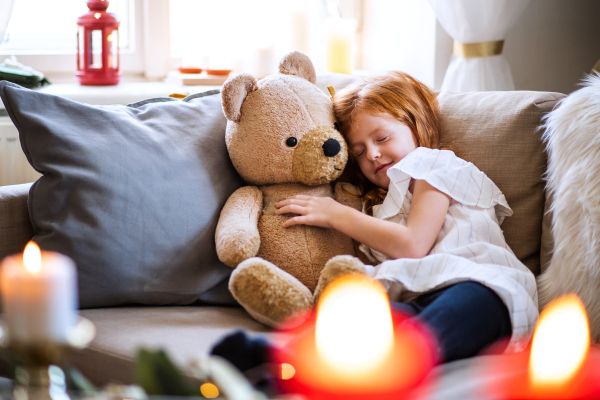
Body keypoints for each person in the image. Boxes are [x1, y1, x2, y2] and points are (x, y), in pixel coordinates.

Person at [212, 72, 538, 370]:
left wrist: (338, 216)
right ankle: (283, 365)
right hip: (419, 295)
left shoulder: (434, 165)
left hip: (482, 287)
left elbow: (413, 244)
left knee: (422, 338)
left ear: (415, 123)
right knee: (363, 327)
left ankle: (305, 364)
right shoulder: (379, 208)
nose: (372, 154)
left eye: (381, 138)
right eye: (359, 150)